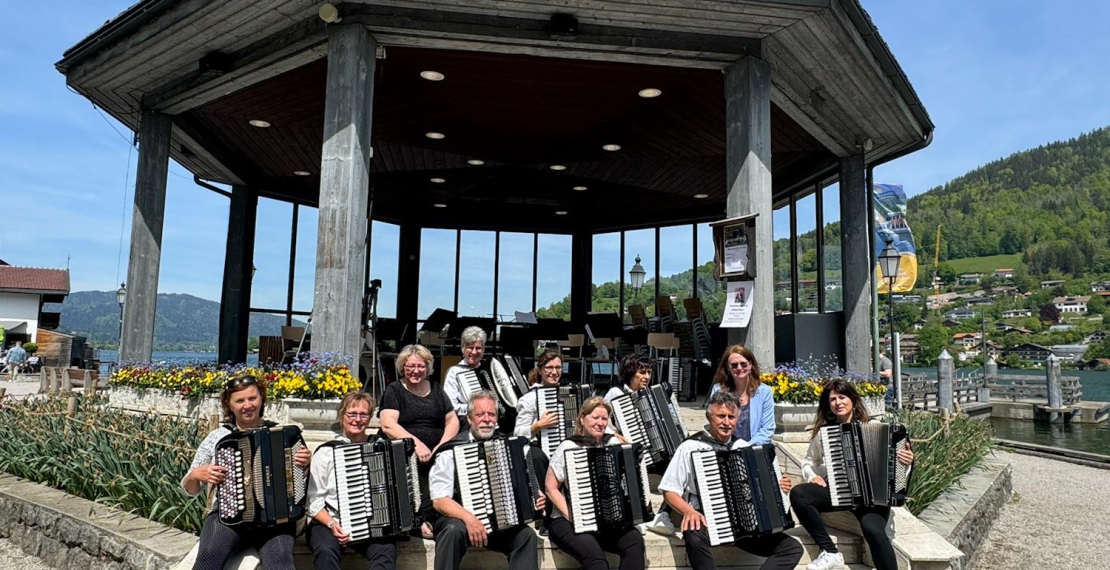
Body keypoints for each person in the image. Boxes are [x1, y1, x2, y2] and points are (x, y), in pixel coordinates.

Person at [660, 390, 803, 570]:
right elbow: (669, 490)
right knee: (693, 533)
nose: (726, 422)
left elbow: (764, 486)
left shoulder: (743, 447)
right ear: (708, 416)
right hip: (705, 519)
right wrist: (689, 511)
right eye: (721, 416)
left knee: (792, 548)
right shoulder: (690, 447)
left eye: (731, 417)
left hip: (745, 526)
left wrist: (779, 485)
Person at [181, 375, 312, 570]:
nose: (247, 405)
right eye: (239, 401)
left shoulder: (282, 435)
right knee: (208, 558)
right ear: (229, 405)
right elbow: (189, 489)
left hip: (275, 519)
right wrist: (196, 475)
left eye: (252, 398)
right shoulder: (218, 436)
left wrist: (305, 464)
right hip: (227, 516)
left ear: (262, 399)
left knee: (281, 562)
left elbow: (299, 483)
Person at [789, 380, 914, 570]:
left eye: (842, 397)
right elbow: (808, 461)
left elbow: (896, 468)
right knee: (799, 494)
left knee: (874, 531)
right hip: (840, 492)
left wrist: (906, 460)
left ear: (853, 401)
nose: (838, 402)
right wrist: (811, 475)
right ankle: (830, 552)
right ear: (828, 404)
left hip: (872, 498)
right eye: (832, 399)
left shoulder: (876, 426)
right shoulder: (825, 433)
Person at [428, 391, 544, 570]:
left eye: (491, 414)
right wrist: (470, 519)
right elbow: (440, 500)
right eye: (480, 414)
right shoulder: (450, 451)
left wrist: (534, 499)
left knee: (526, 536)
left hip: (498, 526)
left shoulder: (508, 446)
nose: (487, 419)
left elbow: (522, 487)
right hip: (459, 521)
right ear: (469, 419)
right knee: (452, 531)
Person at [544, 396, 643, 570]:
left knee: (634, 541)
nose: (600, 423)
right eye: (595, 417)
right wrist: (573, 516)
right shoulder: (569, 447)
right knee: (597, 561)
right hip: (565, 521)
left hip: (606, 522)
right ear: (582, 418)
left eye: (604, 418)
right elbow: (550, 487)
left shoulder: (612, 443)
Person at [307, 392, 398, 570]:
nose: (358, 420)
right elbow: (313, 500)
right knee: (326, 551)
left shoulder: (380, 448)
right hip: (329, 521)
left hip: (371, 523)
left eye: (364, 415)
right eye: (352, 414)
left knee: (386, 551)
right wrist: (332, 524)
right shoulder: (326, 452)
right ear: (342, 416)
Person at [379, 344, 460, 538]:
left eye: (421, 366)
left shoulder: (436, 389)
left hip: (437, 451)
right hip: (407, 451)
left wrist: (442, 445)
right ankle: (420, 521)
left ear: (428, 367)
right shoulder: (395, 390)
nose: (416, 371)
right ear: (403, 367)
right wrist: (415, 444)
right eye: (411, 366)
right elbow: (388, 424)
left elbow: (452, 421)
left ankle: (441, 518)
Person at [707, 345, 775, 445]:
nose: (739, 368)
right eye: (734, 365)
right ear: (728, 368)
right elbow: (714, 422)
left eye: (743, 364)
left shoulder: (764, 392)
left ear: (750, 365)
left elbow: (767, 429)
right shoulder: (718, 390)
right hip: (725, 447)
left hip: (756, 448)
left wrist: (746, 447)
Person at [513, 350, 563, 440]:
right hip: (539, 449)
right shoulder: (530, 398)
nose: (555, 372)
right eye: (549, 367)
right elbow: (517, 432)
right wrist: (539, 425)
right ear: (540, 371)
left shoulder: (566, 393)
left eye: (558, 367)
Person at [442, 326, 488, 421]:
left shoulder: (488, 369)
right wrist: (474, 409)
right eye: (470, 348)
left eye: (478, 348)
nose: (474, 352)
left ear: (483, 350)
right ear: (463, 349)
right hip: (467, 421)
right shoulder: (454, 372)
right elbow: (450, 406)